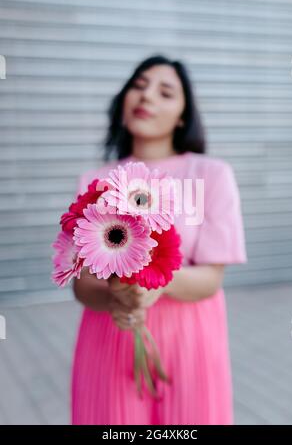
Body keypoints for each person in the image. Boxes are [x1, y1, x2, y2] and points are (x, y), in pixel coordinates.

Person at [71, 55, 247, 425]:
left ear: (183, 115)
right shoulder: (95, 180)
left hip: (191, 345)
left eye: (165, 91)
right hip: (109, 337)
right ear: (123, 104)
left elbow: (211, 279)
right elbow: (83, 285)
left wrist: (150, 281)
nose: (146, 96)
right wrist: (113, 296)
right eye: (138, 86)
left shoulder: (208, 175)